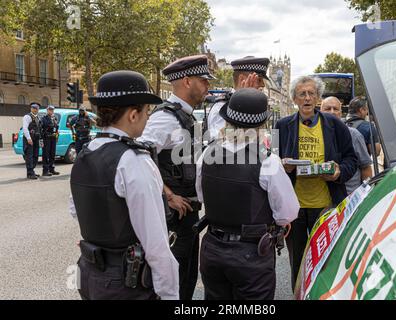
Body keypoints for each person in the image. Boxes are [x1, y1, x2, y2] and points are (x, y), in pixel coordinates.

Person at [69, 70, 179, 300]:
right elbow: (156, 244)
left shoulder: (85, 153)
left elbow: (76, 209)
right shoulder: (135, 161)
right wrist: (170, 294)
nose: (148, 117)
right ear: (132, 115)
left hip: (89, 273)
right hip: (124, 282)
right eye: (146, 111)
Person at [197, 88, 299, 300]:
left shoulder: (207, 153)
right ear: (262, 125)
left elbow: (201, 197)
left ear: (228, 120)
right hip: (250, 254)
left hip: (212, 248)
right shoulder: (267, 161)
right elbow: (288, 213)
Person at [139, 55, 215, 300]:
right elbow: (139, 157)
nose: (208, 86)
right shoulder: (166, 117)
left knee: (188, 279)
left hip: (189, 212)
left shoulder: (187, 116)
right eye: (204, 81)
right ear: (186, 81)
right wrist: (168, 195)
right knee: (174, 284)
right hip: (175, 216)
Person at [275, 75, 357, 290]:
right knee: (298, 263)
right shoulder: (282, 126)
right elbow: (270, 160)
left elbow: (351, 159)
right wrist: (281, 166)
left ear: (319, 98)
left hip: (326, 205)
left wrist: (338, 172)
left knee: (327, 260)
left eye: (312, 93)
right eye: (302, 94)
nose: (307, 98)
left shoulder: (335, 125)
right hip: (295, 207)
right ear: (294, 99)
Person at [207, 56, 270, 141]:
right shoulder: (221, 108)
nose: (263, 85)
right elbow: (224, 145)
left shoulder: (255, 106)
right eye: (259, 80)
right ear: (242, 80)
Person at [321, 97, 372, 194]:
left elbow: (365, 167)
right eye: (328, 109)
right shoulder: (314, 134)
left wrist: (365, 193)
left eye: (335, 109)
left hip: (349, 196)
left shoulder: (354, 135)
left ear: (340, 113)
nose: (332, 112)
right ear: (320, 112)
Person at [22, 102, 42, 179]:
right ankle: (30, 173)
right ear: (31, 108)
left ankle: (32, 171)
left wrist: (40, 140)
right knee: (29, 156)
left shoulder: (38, 117)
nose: (35, 109)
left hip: (36, 139)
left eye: (36, 108)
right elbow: (25, 128)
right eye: (33, 108)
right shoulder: (27, 117)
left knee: (35, 156)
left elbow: (39, 129)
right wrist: (29, 138)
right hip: (29, 139)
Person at [40, 105, 60, 176]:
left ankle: (52, 169)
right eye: (50, 110)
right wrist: (41, 138)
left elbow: (57, 128)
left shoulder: (55, 118)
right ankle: (45, 171)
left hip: (53, 138)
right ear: (47, 110)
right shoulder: (43, 119)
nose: (51, 111)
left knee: (52, 154)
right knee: (46, 154)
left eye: (52, 110)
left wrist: (57, 136)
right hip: (46, 138)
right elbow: (41, 129)